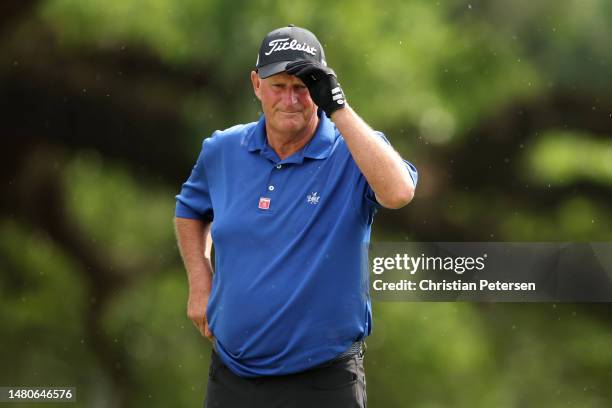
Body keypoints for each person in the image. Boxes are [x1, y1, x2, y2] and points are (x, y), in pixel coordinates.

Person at [174, 25, 418, 408]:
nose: (290, 99)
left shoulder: (352, 151)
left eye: (303, 87)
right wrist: (200, 281)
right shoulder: (222, 150)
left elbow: (399, 192)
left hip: (324, 381)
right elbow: (190, 209)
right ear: (256, 84)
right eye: (279, 86)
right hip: (232, 376)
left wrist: (338, 108)